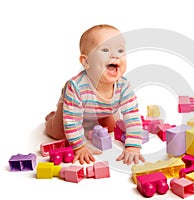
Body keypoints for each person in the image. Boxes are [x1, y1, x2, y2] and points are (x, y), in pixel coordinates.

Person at [45, 24, 145, 165]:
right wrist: (80, 147)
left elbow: (132, 116)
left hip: (102, 109)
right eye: (105, 50)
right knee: (60, 133)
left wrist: (133, 146)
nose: (115, 55)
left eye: (120, 50)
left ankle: (91, 121)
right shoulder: (76, 87)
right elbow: (72, 120)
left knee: (112, 127)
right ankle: (52, 118)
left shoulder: (124, 86)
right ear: (86, 62)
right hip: (72, 106)